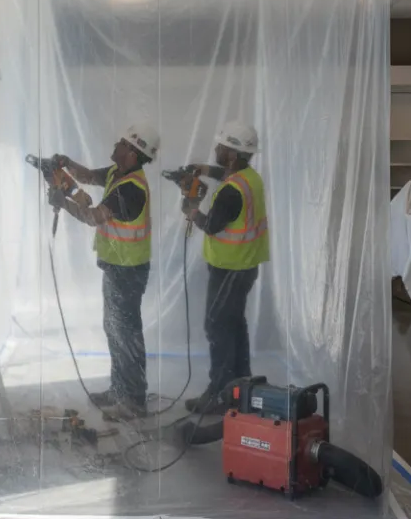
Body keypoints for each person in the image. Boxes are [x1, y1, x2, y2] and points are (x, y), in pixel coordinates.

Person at [48, 123, 159, 420]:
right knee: (115, 329)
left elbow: (94, 216)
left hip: (128, 270)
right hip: (116, 266)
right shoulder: (116, 173)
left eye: (122, 143)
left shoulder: (131, 189)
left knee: (126, 333)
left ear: (133, 154)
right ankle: (119, 390)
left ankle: (134, 401)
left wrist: (64, 202)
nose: (116, 144)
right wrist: (67, 164)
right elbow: (89, 176)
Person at [179, 121, 269, 414]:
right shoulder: (248, 177)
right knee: (234, 324)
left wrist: (193, 212)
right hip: (243, 265)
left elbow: (213, 226)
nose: (216, 150)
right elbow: (227, 176)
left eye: (220, 147)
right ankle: (241, 384)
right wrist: (205, 170)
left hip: (230, 267)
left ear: (231, 154)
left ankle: (219, 392)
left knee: (217, 325)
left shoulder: (232, 191)